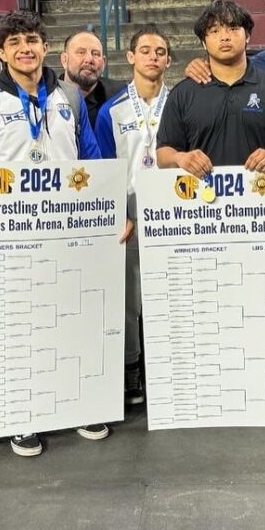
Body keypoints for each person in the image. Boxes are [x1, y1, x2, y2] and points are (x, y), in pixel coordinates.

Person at [0, 11, 105, 456]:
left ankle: (80, 403)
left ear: (44, 46)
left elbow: (95, 160)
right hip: (14, 236)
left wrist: (116, 211)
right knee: (23, 327)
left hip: (69, 230)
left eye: (32, 40)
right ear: (0, 53)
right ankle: (23, 414)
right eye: (15, 43)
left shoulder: (69, 98)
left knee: (74, 320)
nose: (25, 48)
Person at [95, 25, 172, 409]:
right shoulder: (112, 109)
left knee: (168, 290)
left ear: (168, 60)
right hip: (127, 207)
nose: (153, 57)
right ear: (130, 57)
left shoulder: (179, 102)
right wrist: (113, 212)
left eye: (160, 51)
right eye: (145, 50)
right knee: (128, 297)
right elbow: (104, 166)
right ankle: (130, 367)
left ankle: (168, 364)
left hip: (172, 207)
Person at [156, 0, 265, 175]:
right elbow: (163, 154)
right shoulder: (182, 93)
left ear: (248, 36)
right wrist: (180, 158)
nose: (225, 37)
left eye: (233, 28)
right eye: (215, 31)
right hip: (200, 197)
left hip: (263, 197)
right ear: (203, 43)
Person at [58, 29, 122, 130]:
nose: (89, 59)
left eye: (96, 54)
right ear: (64, 60)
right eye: (81, 52)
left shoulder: (119, 96)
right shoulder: (48, 97)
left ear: (104, 63)